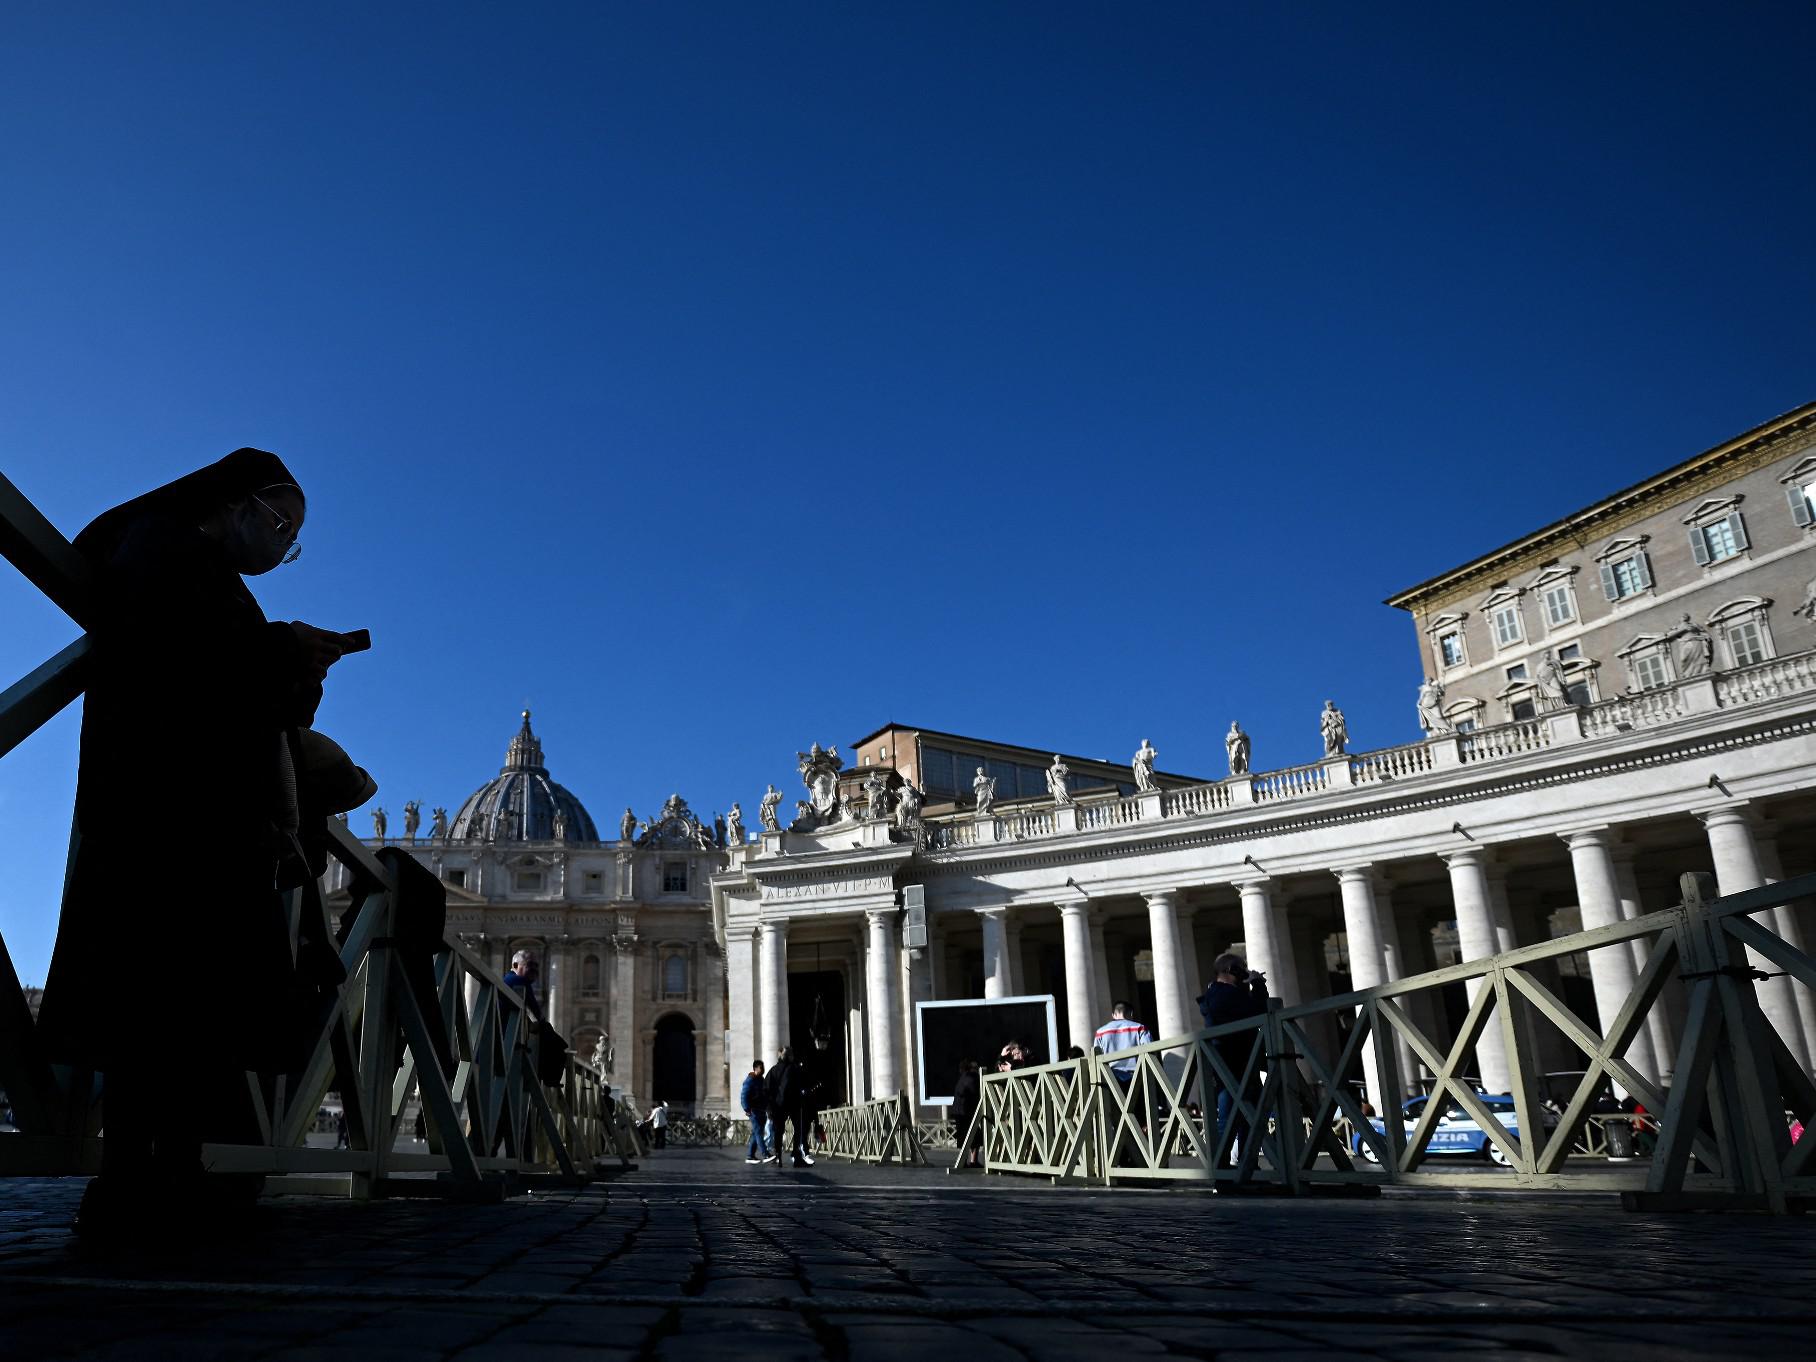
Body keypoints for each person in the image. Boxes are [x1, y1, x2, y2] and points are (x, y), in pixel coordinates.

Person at [35, 449, 356, 1239]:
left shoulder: (206, 573)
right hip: (165, 810)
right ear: (234, 502)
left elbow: (241, 685)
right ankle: (126, 1183)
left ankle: (173, 1170)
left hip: (204, 816)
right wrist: (284, 650)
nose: (282, 549)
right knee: (157, 998)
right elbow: (187, 665)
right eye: (281, 526)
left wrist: (296, 660)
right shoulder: (159, 545)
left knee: (191, 1006)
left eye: (294, 541)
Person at [1198, 953, 1269, 1170]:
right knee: (1237, 1116)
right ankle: (1231, 1165)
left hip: (1229, 1062)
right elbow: (1259, 1010)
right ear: (1230, 969)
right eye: (1242, 968)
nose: (1244, 972)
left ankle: (1237, 1163)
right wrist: (1257, 984)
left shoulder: (1215, 994)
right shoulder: (1227, 994)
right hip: (1238, 1062)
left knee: (1242, 1115)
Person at [765, 1046, 815, 1167]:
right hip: (795, 1104)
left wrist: (769, 1108)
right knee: (799, 1130)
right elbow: (807, 1086)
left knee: (778, 1131)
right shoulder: (797, 1069)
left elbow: (766, 1090)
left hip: (778, 1105)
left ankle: (778, 1156)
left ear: (779, 1056)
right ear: (791, 1056)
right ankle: (796, 1155)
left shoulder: (773, 1070)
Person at [1092, 1001, 1152, 1088]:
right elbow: (1150, 1051)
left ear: (1113, 1015)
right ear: (1131, 1014)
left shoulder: (1100, 1032)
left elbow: (1096, 1057)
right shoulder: (1140, 1028)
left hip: (1111, 1079)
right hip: (1137, 1078)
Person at [950, 1059, 982, 1168]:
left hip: (959, 1112)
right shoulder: (973, 1078)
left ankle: (966, 1161)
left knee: (966, 1137)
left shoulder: (963, 1078)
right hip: (966, 1112)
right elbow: (976, 1094)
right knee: (974, 1136)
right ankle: (971, 1161)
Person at [741, 1059, 774, 1164]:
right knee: (759, 1132)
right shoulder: (750, 1080)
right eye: (761, 1068)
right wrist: (747, 1109)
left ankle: (750, 1156)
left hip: (761, 1110)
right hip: (754, 1110)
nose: (763, 1069)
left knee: (756, 1133)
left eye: (763, 1067)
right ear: (755, 1068)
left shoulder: (761, 1080)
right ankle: (765, 1154)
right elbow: (743, 1096)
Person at [503, 950, 543, 1021]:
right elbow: (537, 1014)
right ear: (515, 966)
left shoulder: (507, 978)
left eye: (536, 966)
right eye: (529, 964)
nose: (534, 969)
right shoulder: (519, 981)